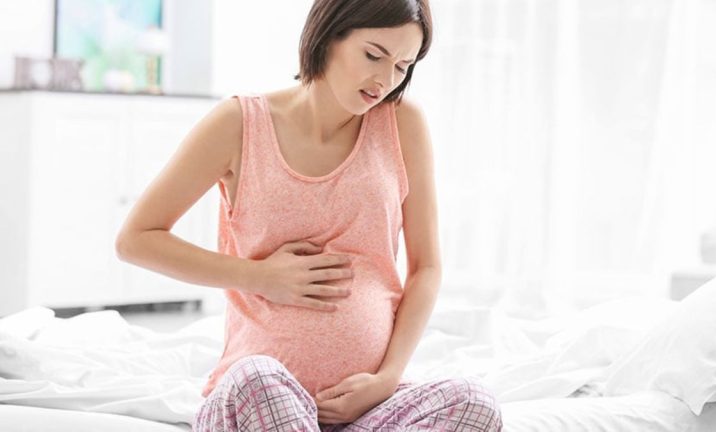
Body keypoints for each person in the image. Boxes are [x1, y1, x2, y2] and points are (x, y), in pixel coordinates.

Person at [115, 0, 503, 430]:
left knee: (474, 403)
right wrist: (259, 276)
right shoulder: (239, 123)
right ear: (328, 34)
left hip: (365, 412)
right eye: (373, 55)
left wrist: (387, 379)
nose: (385, 80)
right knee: (256, 379)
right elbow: (136, 239)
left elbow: (426, 267)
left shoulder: (402, 123)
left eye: (402, 67)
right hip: (260, 402)